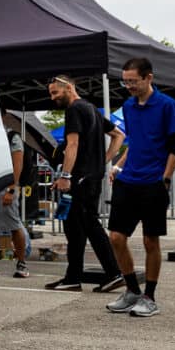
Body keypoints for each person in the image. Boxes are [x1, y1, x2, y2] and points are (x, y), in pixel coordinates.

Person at [105, 58, 175, 317]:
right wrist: (119, 166)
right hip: (129, 180)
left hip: (154, 181)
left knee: (151, 240)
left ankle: (149, 297)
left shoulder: (167, 105)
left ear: (149, 78)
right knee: (116, 237)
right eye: (125, 81)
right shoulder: (128, 105)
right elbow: (136, 141)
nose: (128, 86)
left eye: (133, 81)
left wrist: (166, 178)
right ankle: (131, 291)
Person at [46, 75, 125, 292]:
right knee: (74, 228)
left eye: (55, 92)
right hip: (90, 177)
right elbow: (118, 135)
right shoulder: (91, 108)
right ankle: (73, 277)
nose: (53, 98)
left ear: (69, 88)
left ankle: (114, 272)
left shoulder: (74, 109)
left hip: (80, 178)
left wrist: (65, 176)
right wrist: (103, 161)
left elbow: (72, 145)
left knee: (89, 223)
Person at [0, 128, 30, 278]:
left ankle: (22, 263)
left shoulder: (11, 137)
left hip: (5, 187)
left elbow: (18, 163)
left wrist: (12, 189)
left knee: (13, 225)